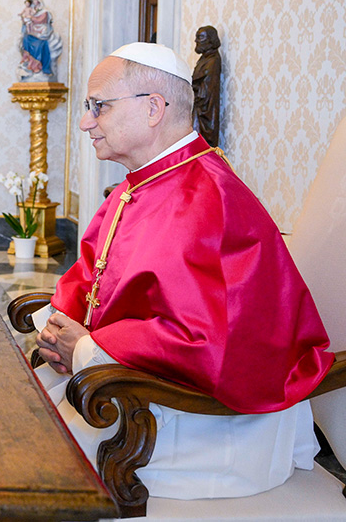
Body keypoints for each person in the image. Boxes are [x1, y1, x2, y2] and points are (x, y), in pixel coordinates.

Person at [33, 42, 332, 500]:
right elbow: (92, 274)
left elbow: (209, 343)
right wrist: (60, 330)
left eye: (99, 107)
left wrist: (87, 348)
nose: (85, 121)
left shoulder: (206, 198)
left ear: (153, 108)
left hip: (208, 426)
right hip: (128, 381)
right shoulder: (140, 184)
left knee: (28, 457)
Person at [16, 0, 63, 82]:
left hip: (41, 32)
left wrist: (31, 18)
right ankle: (29, 63)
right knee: (25, 38)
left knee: (40, 44)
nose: (34, 1)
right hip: (33, 31)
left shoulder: (44, 11)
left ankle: (38, 66)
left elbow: (41, 20)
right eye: (32, 0)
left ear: (39, 1)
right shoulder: (33, 10)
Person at [191, 25, 222, 147]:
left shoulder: (213, 60)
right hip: (198, 110)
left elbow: (205, 92)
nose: (196, 41)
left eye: (200, 37)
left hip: (204, 113)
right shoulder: (204, 59)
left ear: (210, 40)